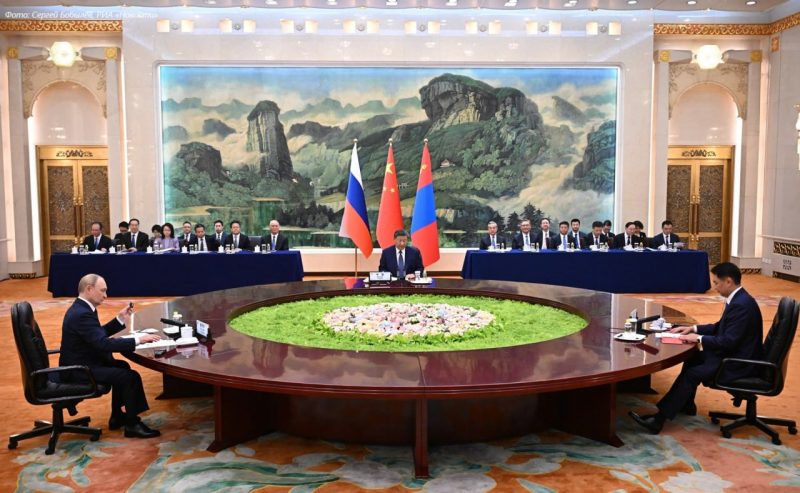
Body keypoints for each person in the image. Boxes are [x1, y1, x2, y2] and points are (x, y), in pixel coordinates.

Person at [629, 263, 764, 434]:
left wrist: (699, 338)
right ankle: (687, 404)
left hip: (738, 363)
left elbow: (728, 341)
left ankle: (658, 420)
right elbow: (720, 327)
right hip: (732, 354)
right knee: (692, 357)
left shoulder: (741, 305)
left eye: (716, 283)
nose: (715, 287)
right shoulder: (739, 299)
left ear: (728, 281)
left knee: (692, 374)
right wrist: (693, 329)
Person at [59, 274, 161, 438]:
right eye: (103, 291)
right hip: (79, 370)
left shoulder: (82, 308)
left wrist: (119, 319)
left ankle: (117, 416)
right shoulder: (82, 314)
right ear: (89, 289)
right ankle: (132, 424)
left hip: (83, 362)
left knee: (122, 366)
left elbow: (96, 335)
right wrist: (138, 340)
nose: (106, 295)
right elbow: (103, 344)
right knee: (129, 377)